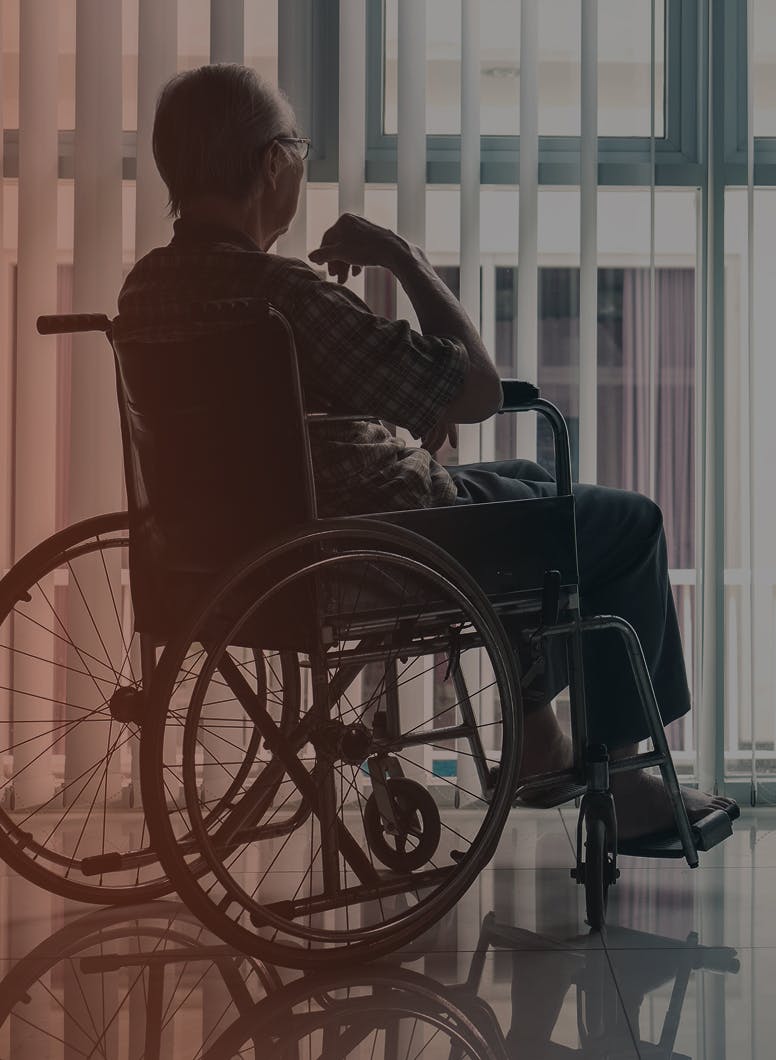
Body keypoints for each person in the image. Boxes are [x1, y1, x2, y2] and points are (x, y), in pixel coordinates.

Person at [118, 63, 737, 841]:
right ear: (272, 162)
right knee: (625, 523)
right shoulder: (287, 296)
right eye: (298, 145)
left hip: (232, 554)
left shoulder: (144, 293)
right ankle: (630, 782)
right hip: (372, 543)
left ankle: (540, 738)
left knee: (526, 486)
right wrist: (402, 255)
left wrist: (379, 413)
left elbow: (262, 422)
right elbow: (475, 392)